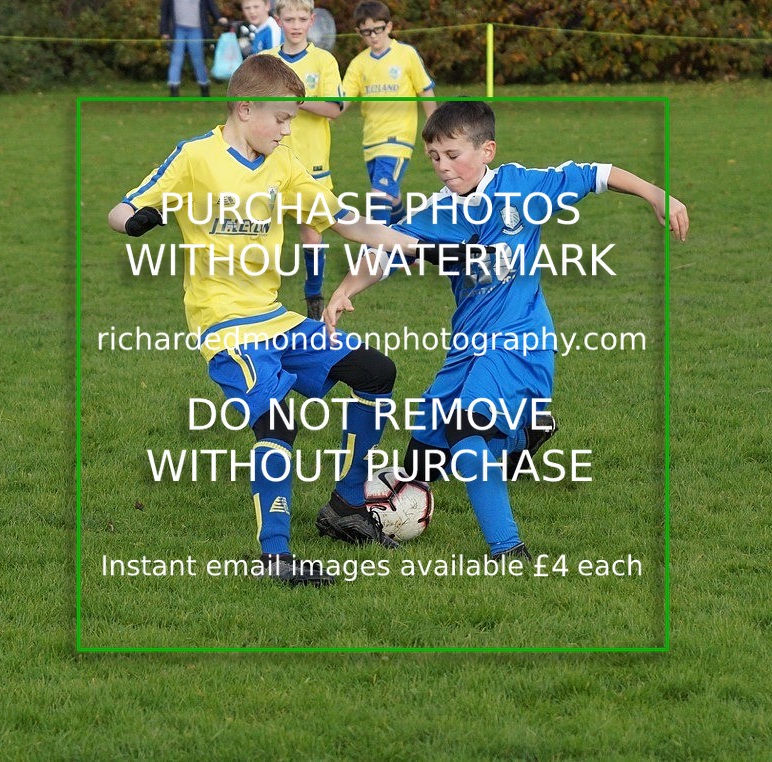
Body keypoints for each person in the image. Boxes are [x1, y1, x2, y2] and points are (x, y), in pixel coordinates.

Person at [107, 56, 476, 586]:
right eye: (281, 119)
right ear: (244, 107)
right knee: (276, 420)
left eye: (293, 120)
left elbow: (346, 222)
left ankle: (347, 505)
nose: (288, 129)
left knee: (376, 372)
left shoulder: (282, 164)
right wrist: (138, 221)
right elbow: (122, 208)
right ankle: (275, 559)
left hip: (275, 319)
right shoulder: (195, 157)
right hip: (225, 327)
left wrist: (426, 246)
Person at [324, 100, 689, 561]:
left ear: (487, 150)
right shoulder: (437, 211)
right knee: (422, 461)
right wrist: (344, 289)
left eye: (453, 155)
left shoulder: (522, 189)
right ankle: (518, 439)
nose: (443, 166)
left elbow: (596, 173)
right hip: (466, 347)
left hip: (520, 340)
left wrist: (659, 194)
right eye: (434, 157)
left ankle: (507, 549)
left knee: (465, 429)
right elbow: (389, 251)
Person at [261, 0, 343, 319]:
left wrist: (296, 100)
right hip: (269, 160)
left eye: (301, 19)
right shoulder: (265, 61)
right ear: (278, 21)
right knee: (262, 229)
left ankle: (313, 297)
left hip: (311, 162)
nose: (295, 25)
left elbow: (334, 109)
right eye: (289, 19)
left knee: (312, 232)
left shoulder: (324, 61)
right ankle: (261, 297)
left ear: (312, 21)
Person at [340, 0, 436, 226]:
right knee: (390, 196)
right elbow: (342, 102)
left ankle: (377, 254)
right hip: (371, 140)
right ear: (358, 32)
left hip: (398, 138)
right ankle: (405, 243)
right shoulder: (358, 64)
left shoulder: (406, 54)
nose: (373, 36)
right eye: (366, 32)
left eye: (378, 29)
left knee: (379, 196)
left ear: (389, 27)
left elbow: (425, 91)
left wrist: (434, 133)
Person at [160, 0, 228, 97]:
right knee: (176, 60)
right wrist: (164, 31)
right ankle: (173, 90)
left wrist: (219, 18)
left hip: (196, 30)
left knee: (198, 61)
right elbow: (165, 11)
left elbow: (211, 5)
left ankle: (204, 88)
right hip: (177, 30)